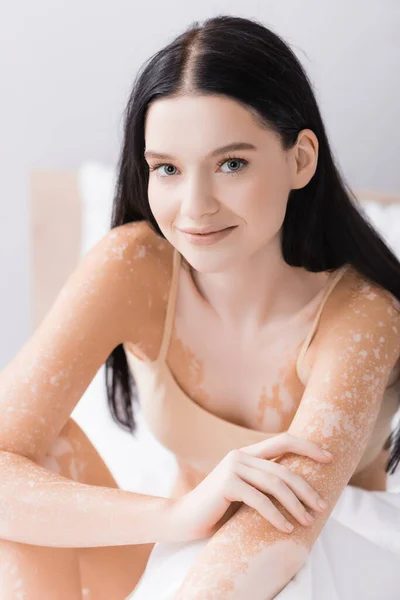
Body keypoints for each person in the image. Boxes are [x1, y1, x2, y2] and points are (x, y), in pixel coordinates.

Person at [0, 13, 400, 600]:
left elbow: (282, 529)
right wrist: (176, 515)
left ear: (301, 160)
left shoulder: (363, 317)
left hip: (323, 552)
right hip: (185, 540)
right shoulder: (134, 266)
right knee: (36, 474)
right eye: (166, 168)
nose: (194, 207)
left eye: (231, 164)